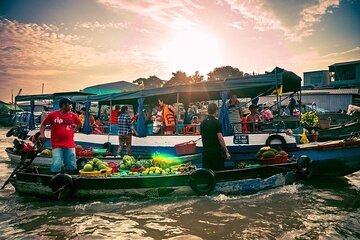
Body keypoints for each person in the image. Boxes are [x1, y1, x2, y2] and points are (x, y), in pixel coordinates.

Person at [39, 98, 82, 173]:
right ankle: (55, 177)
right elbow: (43, 124)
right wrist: (42, 134)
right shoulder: (53, 115)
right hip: (57, 144)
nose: (70, 107)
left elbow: (79, 123)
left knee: (71, 163)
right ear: (63, 105)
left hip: (70, 144)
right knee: (57, 162)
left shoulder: (73, 115)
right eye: (69, 105)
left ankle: (70, 177)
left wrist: (73, 131)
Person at [200, 103, 231, 171]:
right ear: (216, 111)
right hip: (216, 153)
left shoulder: (203, 123)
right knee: (218, 173)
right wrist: (226, 151)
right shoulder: (216, 122)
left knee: (208, 174)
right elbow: (220, 138)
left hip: (206, 153)